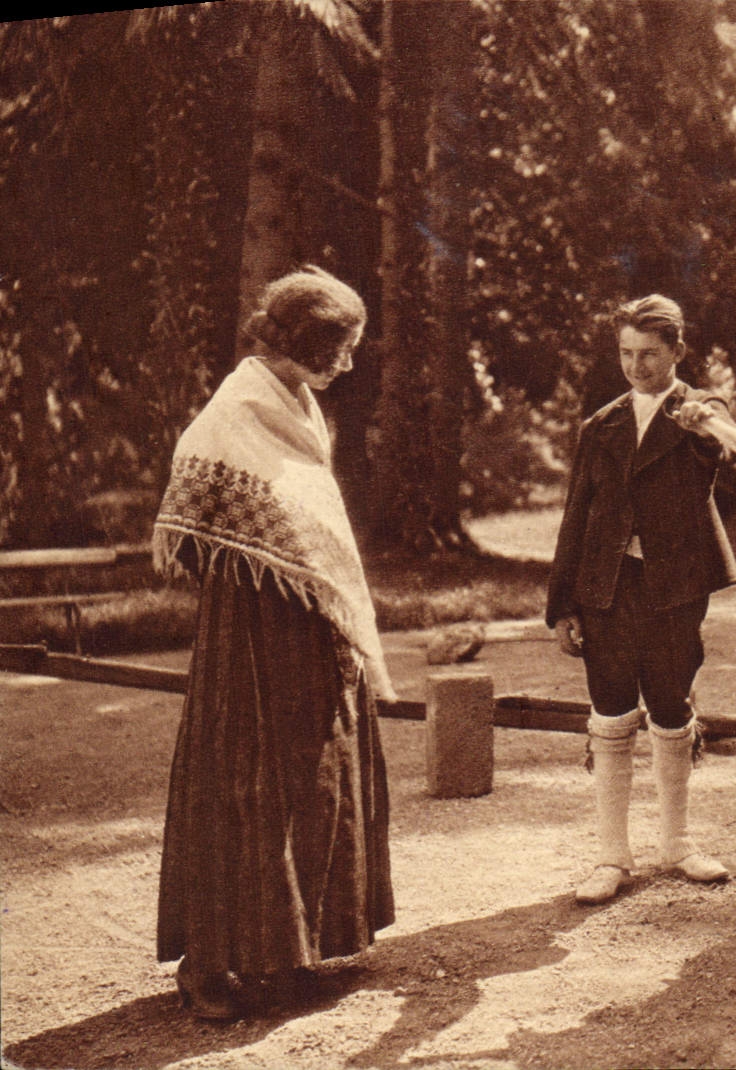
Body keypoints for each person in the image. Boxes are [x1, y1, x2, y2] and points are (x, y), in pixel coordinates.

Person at [152, 265, 396, 1019]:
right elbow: (191, 504)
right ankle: (213, 964)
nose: (350, 362)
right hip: (252, 635)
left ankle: (291, 952)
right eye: (344, 346)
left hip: (305, 627)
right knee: (245, 779)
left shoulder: (295, 403)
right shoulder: (239, 404)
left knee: (309, 778)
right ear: (313, 342)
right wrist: (259, 567)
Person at [546, 293, 736, 905]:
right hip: (605, 587)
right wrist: (563, 605)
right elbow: (577, 515)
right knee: (608, 710)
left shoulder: (699, 415)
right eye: (627, 354)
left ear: (678, 352)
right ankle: (611, 856)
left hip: (674, 587)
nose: (636, 366)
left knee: (670, 703)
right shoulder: (600, 425)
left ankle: (678, 843)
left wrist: (705, 419)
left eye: (650, 355)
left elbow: (723, 445)